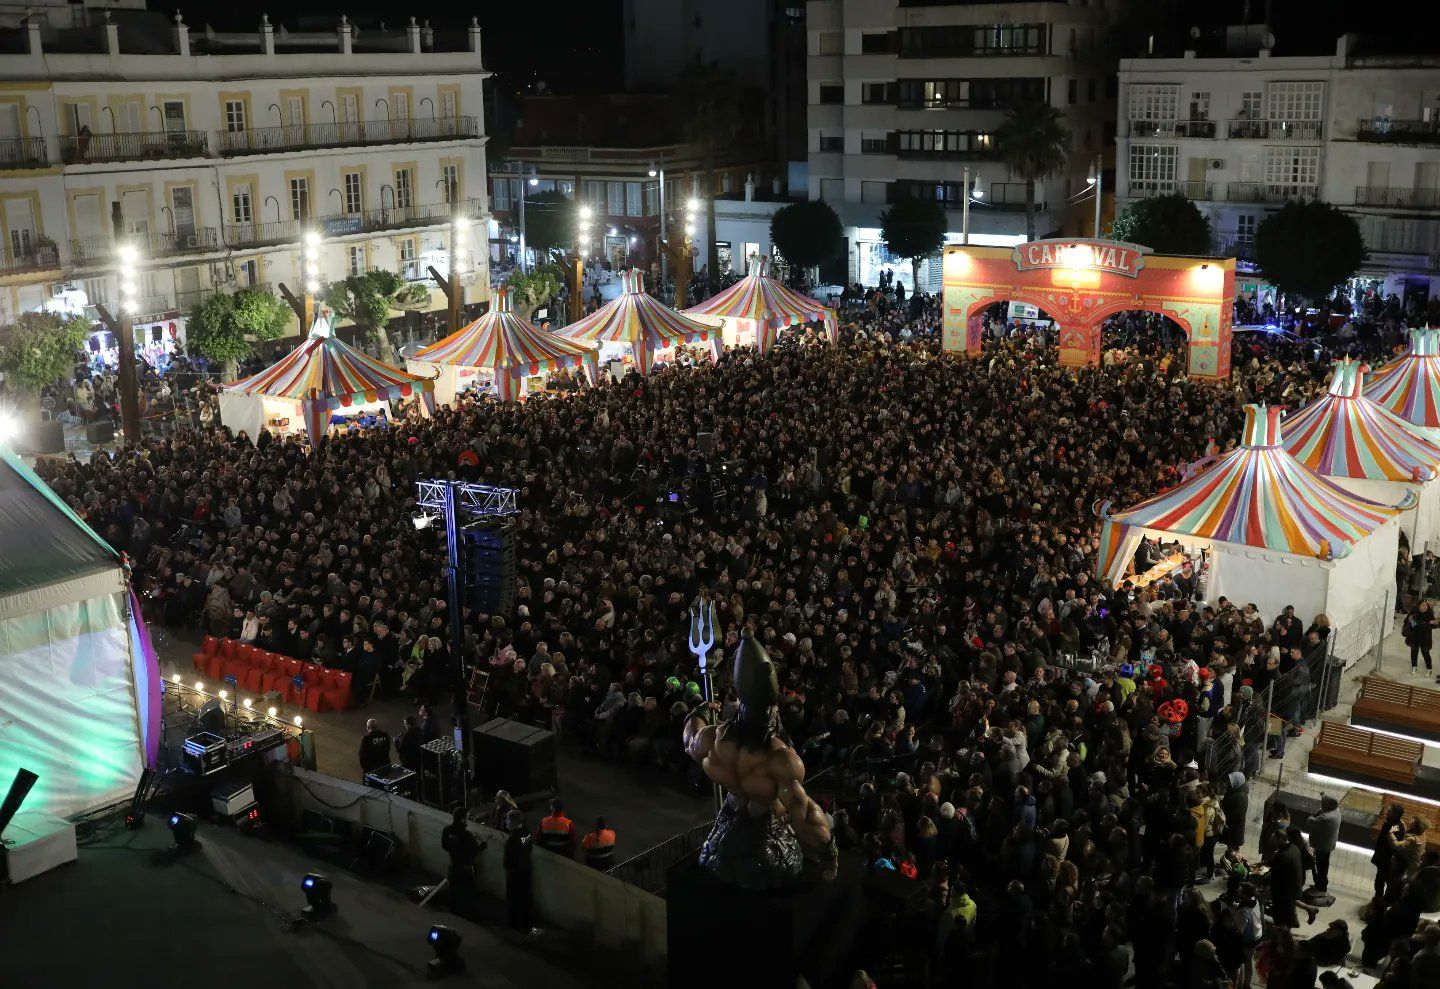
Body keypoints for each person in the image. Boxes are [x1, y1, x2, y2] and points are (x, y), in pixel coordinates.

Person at [440, 805, 487, 918]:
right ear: (462, 818)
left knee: (453, 890)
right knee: (467, 891)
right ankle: (466, 914)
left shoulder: (447, 830)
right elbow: (473, 853)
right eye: (466, 817)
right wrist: (483, 845)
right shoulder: (467, 835)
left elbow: (444, 846)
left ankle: (453, 912)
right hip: (465, 869)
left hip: (453, 865)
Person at [502, 809, 537, 935]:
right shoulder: (527, 833)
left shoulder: (511, 840)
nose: (506, 822)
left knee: (513, 898)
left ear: (514, 821)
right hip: (526, 870)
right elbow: (529, 848)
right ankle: (526, 923)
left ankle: (514, 925)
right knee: (526, 897)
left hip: (515, 874)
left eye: (508, 820)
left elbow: (507, 861)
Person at [1306, 794, 1342, 894]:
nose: (1322, 804)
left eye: (1324, 802)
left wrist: (1313, 815)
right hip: (1328, 844)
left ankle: (1320, 888)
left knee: (1320, 867)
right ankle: (1321, 885)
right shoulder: (1336, 811)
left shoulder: (1325, 818)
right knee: (1324, 866)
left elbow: (1310, 821)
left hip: (1322, 846)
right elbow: (1320, 811)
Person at [1404, 600, 1437, 676]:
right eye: (1423, 605)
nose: (1425, 607)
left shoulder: (1429, 613)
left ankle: (1429, 668)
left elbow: (1434, 625)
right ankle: (1414, 667)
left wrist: (1417, 623)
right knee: (1414, 652)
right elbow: (1407, 621)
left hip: (1425, 637)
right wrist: (1427, 623)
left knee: (1425, 653)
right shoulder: (1414, 611)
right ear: (1419, 606)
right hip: (1414, 636)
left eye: (1426, 605)